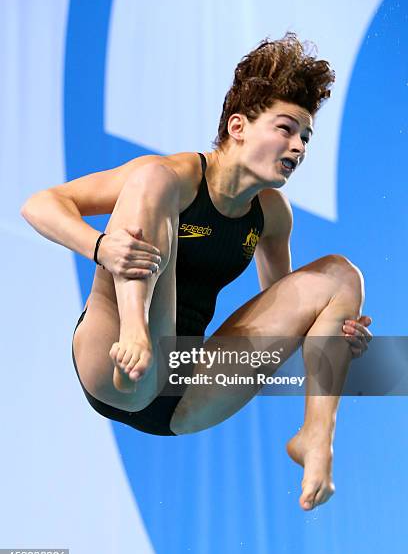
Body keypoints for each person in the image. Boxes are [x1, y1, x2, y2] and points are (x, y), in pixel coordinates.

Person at [21, 33, 372, 511]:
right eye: (286, 129)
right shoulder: (177, 175)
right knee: (152, 178)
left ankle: (316, 439)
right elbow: (40, 205)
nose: (298, 147)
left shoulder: (272, 215)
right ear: (239, 126)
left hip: (184, 390)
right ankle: (137, 333)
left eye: (305, 137)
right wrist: (101, 247)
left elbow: (285, 316)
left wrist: (333, 338)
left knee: (341, 276)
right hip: (113, 358)